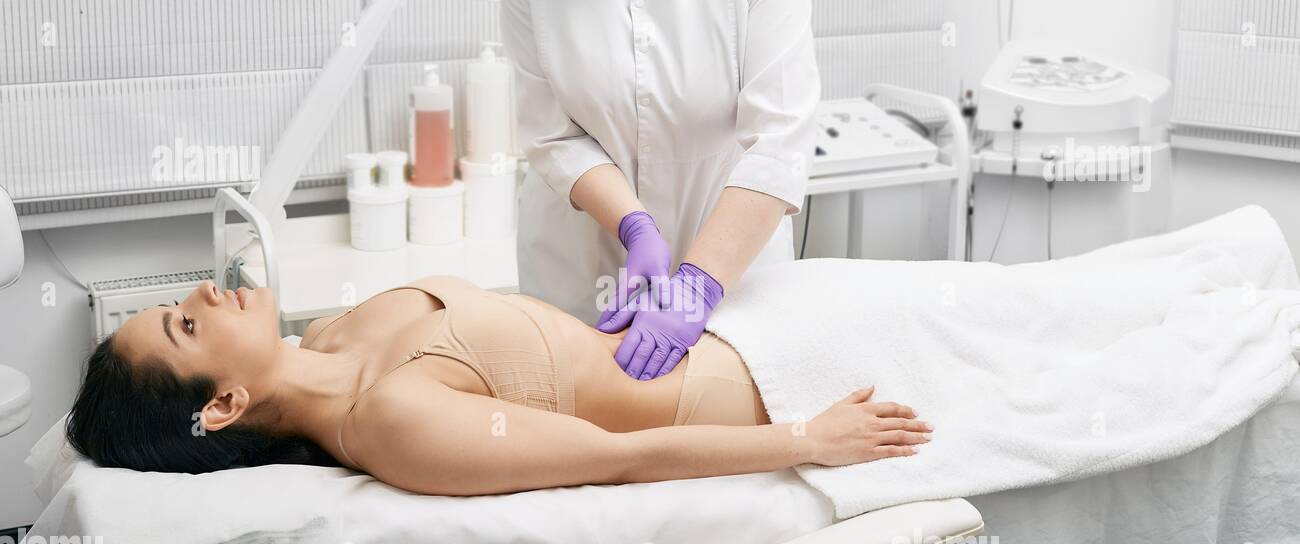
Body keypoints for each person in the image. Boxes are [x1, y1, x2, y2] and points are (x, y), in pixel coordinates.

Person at [66, 279, 929, 495]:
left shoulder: (333, 334)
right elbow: (616, 458)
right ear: (222, 406)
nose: (205, 294)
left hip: (752, 316)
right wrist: (808, 440)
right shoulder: (391, 418)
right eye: (186, 324)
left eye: (176, 303)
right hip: (766, 382)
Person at [503, 0, 820, 380]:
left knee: (728, 416)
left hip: (732, 255)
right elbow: (552, 134)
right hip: (581, 262)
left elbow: (780, 142)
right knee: (577, 414)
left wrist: (699, 284)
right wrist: (632, 223)